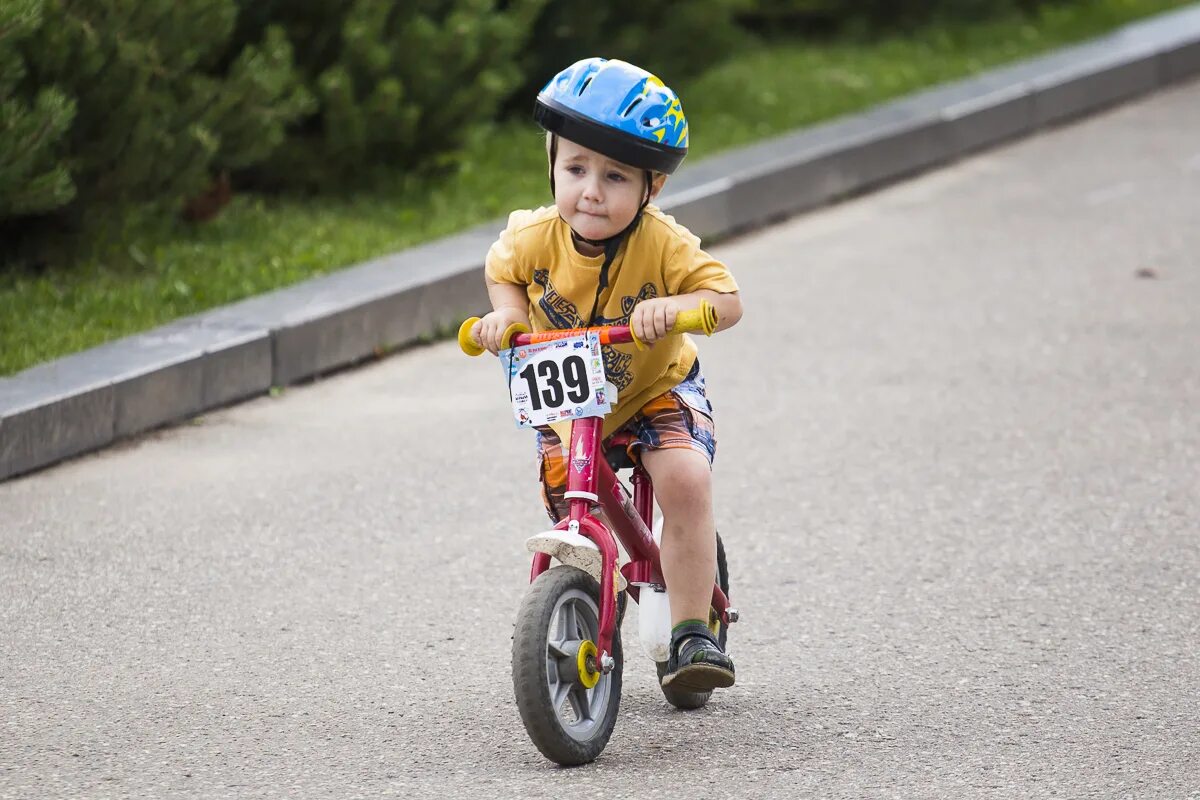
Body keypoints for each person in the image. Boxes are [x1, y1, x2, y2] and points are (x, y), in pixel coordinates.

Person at [469, 57, 743, 694]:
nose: (591, 190)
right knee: (569, 499)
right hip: (570, 393)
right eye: (575, 169)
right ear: (553, 165)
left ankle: (692, 631)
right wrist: (506, 316)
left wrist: (674, 308)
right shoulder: (534, 236)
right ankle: (583, 599)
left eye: (615, 175)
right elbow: (502, 270)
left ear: (651, 187)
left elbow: (726, 301)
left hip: (653, 387)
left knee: (683, 477)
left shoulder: (666, 245)